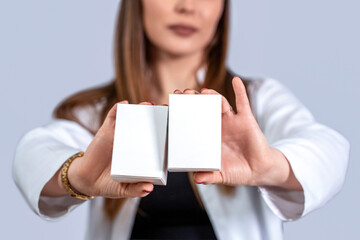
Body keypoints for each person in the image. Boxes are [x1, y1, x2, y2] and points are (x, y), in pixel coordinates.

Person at [13, 0, 350, 239]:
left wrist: (271, 166)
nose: (188, 5)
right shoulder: (98, 113)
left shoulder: (256, 101)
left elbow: (329, 150)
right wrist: (78, 175)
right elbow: (33, 154)